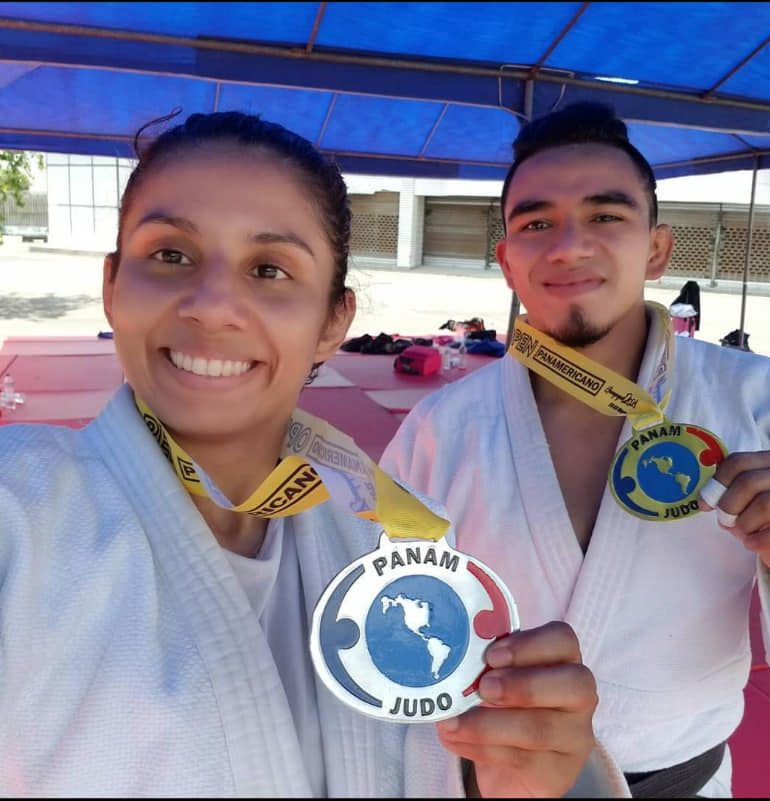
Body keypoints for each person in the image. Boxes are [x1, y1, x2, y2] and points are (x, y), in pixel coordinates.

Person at [0, 110, 629, 798]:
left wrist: (522, 769)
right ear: (112, 286)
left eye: (269, 269)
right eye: (171, 255)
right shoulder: (22, 514)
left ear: (334, 323)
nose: (212, 305)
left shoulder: (400, 544)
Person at [380, 101, 770, 797]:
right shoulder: (437, 432)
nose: (569, 246)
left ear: (657, 249)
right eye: (536, 224)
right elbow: (392, 631)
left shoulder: (766, 400)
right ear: (507, 261)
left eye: (606, 216)